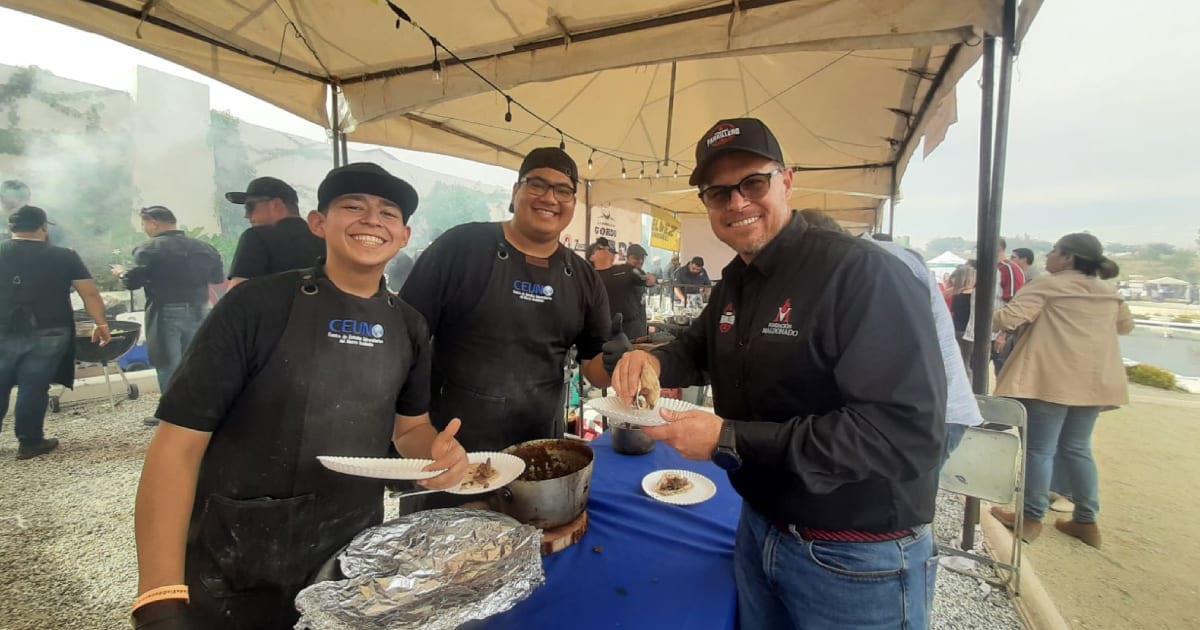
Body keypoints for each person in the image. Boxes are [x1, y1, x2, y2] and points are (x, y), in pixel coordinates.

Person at [610, 119, 946, 629]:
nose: (737, 203)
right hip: (759, 529)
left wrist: (728, 438)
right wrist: (653, 358)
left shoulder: (862, 274)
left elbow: (903, 433)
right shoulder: (733, 285)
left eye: (753, 184)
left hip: (855, 557)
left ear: (787, 181)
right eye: (719, 192)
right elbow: (696, 347)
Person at [131, 163, 469, 628]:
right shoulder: (255, 306)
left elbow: (409, 427)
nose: (372, 220)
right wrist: (159, 595)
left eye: (388, 214)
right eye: (353, 206)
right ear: (318, 223)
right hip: (236, 557)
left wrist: (436, 453)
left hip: (347, 552)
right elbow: (178, 444)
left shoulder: (409, 324)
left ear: (404, 235)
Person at [401, 147, 612, 457]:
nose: (550, 198)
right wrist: (412, 430)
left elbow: (594, 368)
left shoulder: (583, 277)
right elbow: (406, 340)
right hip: (452, 446)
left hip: (540, 448)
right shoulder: (460, 247)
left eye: (563, 191)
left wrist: (615, 361)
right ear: (516, 192)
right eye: (537, 184)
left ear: (573, 204)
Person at [804, 209, 983, 471]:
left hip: (929, 415)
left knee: (895, 501)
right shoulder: (863, 260)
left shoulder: (876, 264)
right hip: (908, 414)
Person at [989, 233, 1133, 549]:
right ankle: (1086, 520)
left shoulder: (1049, 283)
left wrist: (990, 310)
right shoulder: (1109, 291)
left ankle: (1030, 518)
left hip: (1049, 378)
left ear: (1068, 258)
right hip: (1092, 382)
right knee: (1078, 448)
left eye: (1054, 250)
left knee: (1040, 450)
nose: (1049, 256)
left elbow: (1009, 318)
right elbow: (1125, 327)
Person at [1, 206, 111, 459]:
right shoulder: (65, 256)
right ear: (43, 227)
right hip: (51, 329)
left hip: (2, 328)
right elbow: (89, 293)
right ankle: (30, 442)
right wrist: (101, 324)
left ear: (11, 228)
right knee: (34, 385)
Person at [120, 206, 224, 418]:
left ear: (154, 223)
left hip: (167, 312)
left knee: (168, 364)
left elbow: (133, 282)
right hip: (201, 310)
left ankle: (173, 417)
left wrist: (122, 275)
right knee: (196, 363)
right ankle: (199, 413)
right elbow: (217, 279)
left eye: (144, 224)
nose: (144, 229)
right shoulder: (205, 248)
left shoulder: (148, 249)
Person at [224, 177, 325, 288]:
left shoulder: (256, 237)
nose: (247, 216)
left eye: (250, 207)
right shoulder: (326, 239)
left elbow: (235, 296)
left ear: (276, 205)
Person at [596, 240, 656, 339]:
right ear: (628, 258)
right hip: (622, 326)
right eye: (636, 258)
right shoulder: (621, 273)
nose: (640, 261)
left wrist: (644, 329)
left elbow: (642, 304)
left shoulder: (640, 275)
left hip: (637, 325)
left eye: (642, 258)